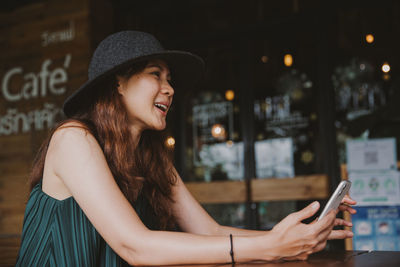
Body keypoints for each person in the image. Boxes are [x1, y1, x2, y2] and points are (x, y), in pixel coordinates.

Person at [15, 31, 356, 266]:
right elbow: (134, 245)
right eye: (156, 75)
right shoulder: (73, 138)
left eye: (170, 79)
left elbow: (210, 231)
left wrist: (291, 239)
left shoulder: (150, 156)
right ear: (118, 81)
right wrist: (269, 247)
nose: (170, 89)